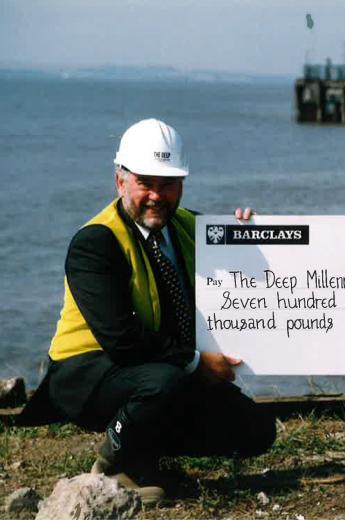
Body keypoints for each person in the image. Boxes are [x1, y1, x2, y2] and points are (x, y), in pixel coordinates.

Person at [19, 119, 276, 503]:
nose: (157, 195)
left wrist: (245, 234)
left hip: (158, 367)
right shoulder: (95, 242)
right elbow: (122, 342)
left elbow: (248, 265)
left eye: (168, 184)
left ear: (182, 186)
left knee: (257, 429)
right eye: (146, 183)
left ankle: (148, 450)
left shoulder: (189, 226)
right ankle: (115, 461)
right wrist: (198, 364)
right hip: (86, 374)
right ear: (120, 181)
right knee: (164, 383)